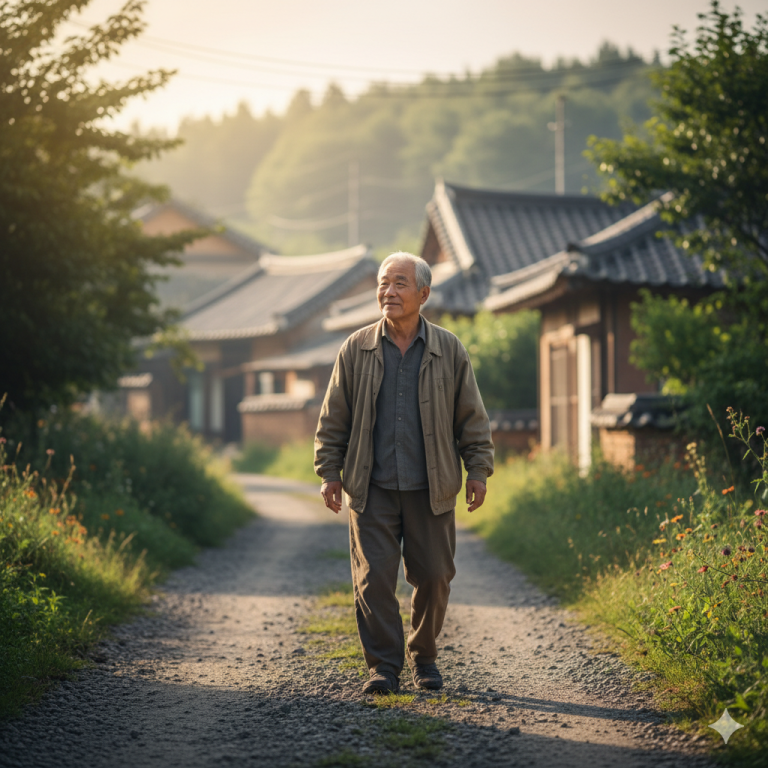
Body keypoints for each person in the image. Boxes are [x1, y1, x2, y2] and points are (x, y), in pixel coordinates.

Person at [314, 251, 494, 694]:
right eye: (382, 283)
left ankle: (424, 656)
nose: (387, 292)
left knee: (434, 576)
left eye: (399, 284)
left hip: (430, 487)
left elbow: (471, 415)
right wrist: (328, 471)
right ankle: (384, 667)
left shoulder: (448, 348)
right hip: (369, 486)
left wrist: (478, 469)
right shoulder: (356, 348)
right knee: (373, 580)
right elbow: (333, 416)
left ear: (423, 294)